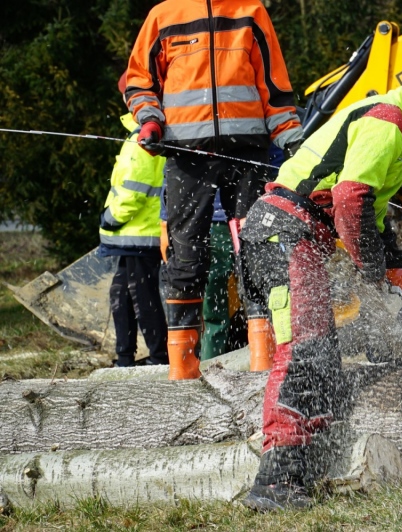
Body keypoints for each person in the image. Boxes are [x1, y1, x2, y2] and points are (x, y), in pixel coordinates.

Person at [237, 47, 402, 511]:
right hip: (284, 233)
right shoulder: (391, 119)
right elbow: (350, 198)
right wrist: (368, 268)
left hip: (297, 235)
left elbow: (375, 220)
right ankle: (273, 481)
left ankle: (308, 466)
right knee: (305, 348)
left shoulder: (398, 129)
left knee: (323, 348)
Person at [125, 0, 304, 379]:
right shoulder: (163, 14)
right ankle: (183, 369)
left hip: (248, 151)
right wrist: (150, 120)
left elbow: (275, 87)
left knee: (259, 252)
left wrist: (293, 141)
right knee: (186, 255)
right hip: (187, 154)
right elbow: (140, 81)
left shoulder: (251, 10)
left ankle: (264, 362)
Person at [98, 71, 168, 368]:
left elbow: (133, 189)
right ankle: (124, 357)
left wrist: (110, 218)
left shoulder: (143, 137)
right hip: (133, 235)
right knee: (122, 295)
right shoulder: (143, 133)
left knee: (143, 298)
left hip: (138, 233)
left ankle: (160, 357)